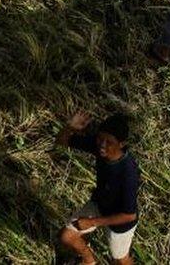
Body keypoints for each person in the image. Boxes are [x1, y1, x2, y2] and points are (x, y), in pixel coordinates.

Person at [56, 112, 140, 265]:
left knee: (121, 260)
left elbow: (129, 216)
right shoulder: (99, 146)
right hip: (99, 204)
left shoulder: (128, 173)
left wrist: (93, 222)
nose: (102, 145)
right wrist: (70, 127)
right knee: (67, 236)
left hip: (119, 222)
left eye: (109, 142)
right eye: (100, 138)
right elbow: (62, 140)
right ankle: (89, 261)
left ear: (121, 144)